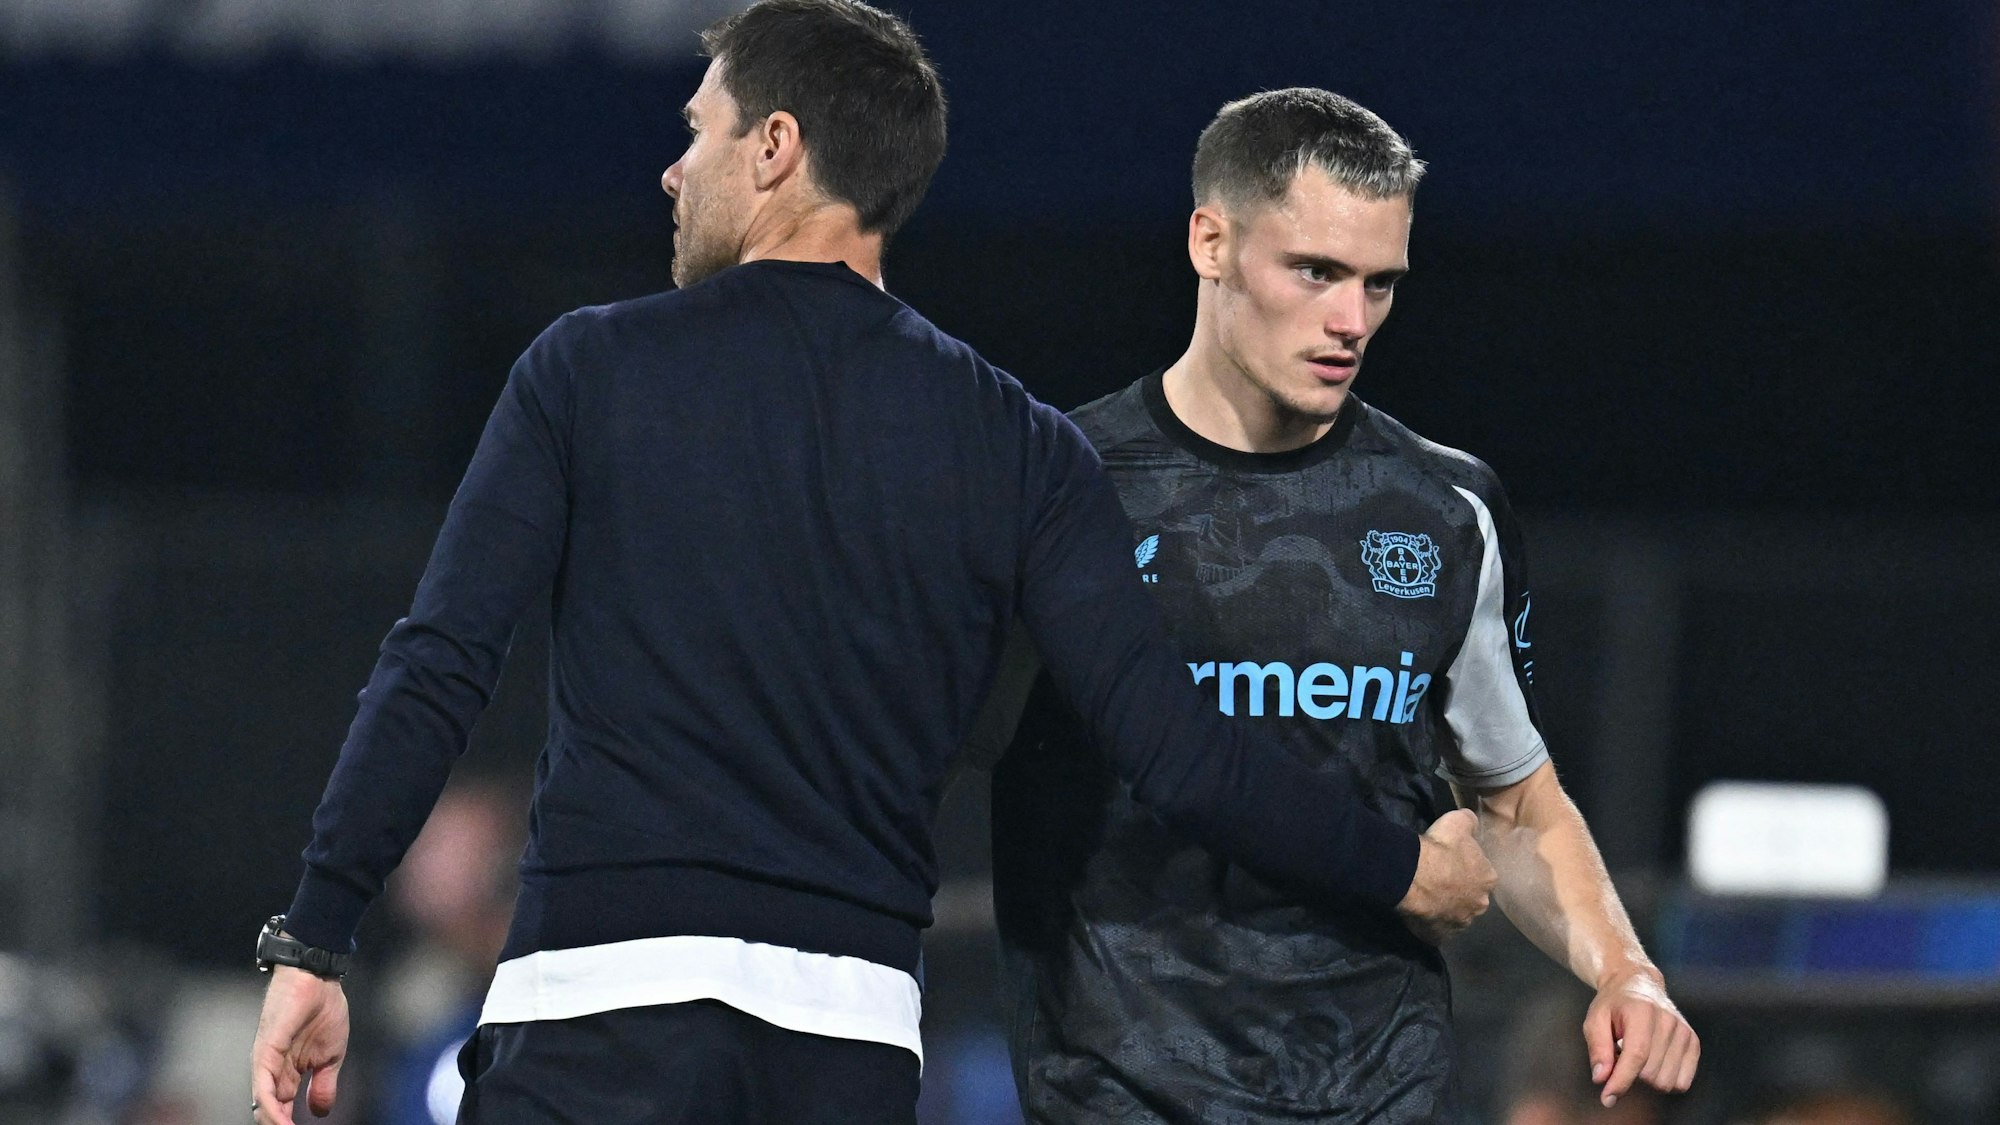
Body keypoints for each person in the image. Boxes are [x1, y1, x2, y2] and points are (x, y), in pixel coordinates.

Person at [246, 9, 1498, 1125]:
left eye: (700, 132)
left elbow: (440, 664)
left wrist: (318, 935)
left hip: (597, 1016)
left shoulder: (589, 370)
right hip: (844, 1048)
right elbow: (1180, 755)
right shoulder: (1019, 445)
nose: (673, 169)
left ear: (776, 148)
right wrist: (1401, 866)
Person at [978, 88, 1699, 1122]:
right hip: (1119, 1096)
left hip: (1378, 1094)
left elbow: (1513, 802)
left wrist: (1625, 972)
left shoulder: (1446, 509)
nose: (1350, 320)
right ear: (1209, 240)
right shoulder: (1059, 487)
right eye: (1314, 272)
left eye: (1378, 284)